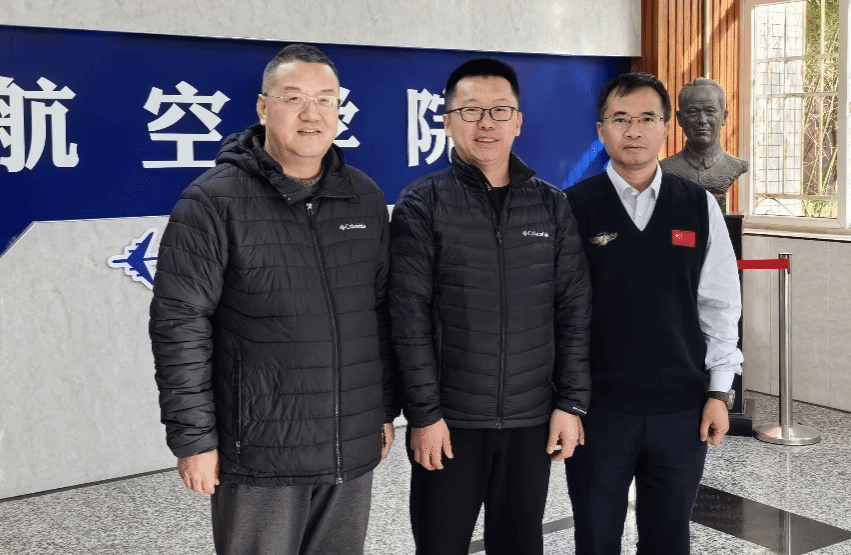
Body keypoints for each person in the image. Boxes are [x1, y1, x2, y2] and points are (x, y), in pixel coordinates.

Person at [149, 43, 398, 555]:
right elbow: (180, 325)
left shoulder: (365, 197)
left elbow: (379, 314)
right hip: (261, 450)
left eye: (325, 99)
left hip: (348, 445)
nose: (312, 113)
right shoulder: (212, 201)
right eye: (294, 98)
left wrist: (382, 409)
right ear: (264, 108)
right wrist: (194, 440)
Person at [389, 58, 593, 555]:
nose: (486, 123)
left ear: (518, 121)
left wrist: (570, 404)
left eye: (500, 110)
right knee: (440, 545)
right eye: (471, 110)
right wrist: (424, 416)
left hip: (530, 420)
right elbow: (408, 319)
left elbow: (573, 310)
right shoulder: (422, 203)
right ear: (447, 121)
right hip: (449, 422)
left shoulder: (550, 205)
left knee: (521, 545)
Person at [563, 72, 744, 555]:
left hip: (682, 410)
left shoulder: (697, 205)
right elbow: (560, 313)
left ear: (666, 126)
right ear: (601, 129)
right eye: (620, 119)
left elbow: (720, 305)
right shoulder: (574, 207)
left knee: (669, 538)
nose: (634, 131)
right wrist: (565, 403)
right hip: (599, 411)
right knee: (596, 537)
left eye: (647, 118)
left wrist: (719, 392)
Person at [658, 77, 748, 214]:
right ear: (680, 118)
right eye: (693, 112)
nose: (702, 120)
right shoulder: (665, 168)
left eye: (710, 111)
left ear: (724, 116)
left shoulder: (736, 166)